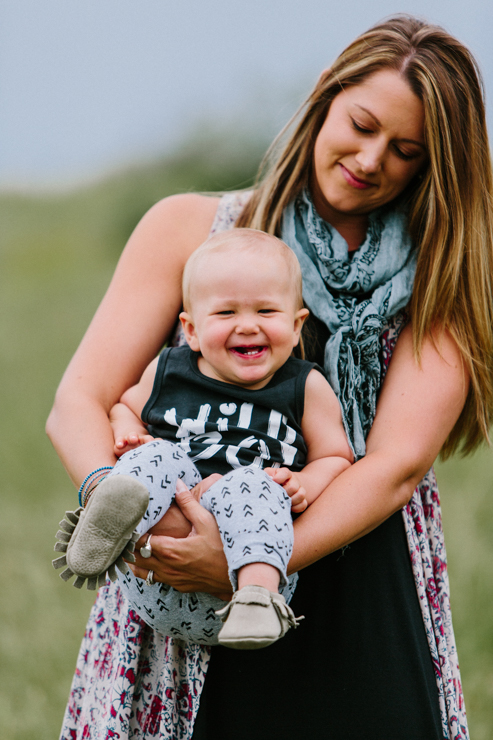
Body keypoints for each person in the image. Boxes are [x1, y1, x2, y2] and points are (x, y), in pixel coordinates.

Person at [46, 14, 493, 740]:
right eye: (361, 124)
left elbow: (393, 467)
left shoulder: (438, 278)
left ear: (433, 164)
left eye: (406, 150)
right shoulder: (190, 230)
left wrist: (246, 564)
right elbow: (80, 403)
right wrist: (141, 524)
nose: (372, 158)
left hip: (360, 568)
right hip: (183, 552)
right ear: (323, 95)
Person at [52, 229, 352, 649]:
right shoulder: (169, 370)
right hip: (151, 574)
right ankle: (104, 533)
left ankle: (258, 599)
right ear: (191, 330)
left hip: (243, 571)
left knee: (254, 482)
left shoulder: (305, 386)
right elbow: (124, 406)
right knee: (155, 454)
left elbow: (336, 456)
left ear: (296, 323)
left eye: (267, 311)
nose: (247, 326)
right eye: (226, 313)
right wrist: (127, 430)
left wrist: (305, 484)